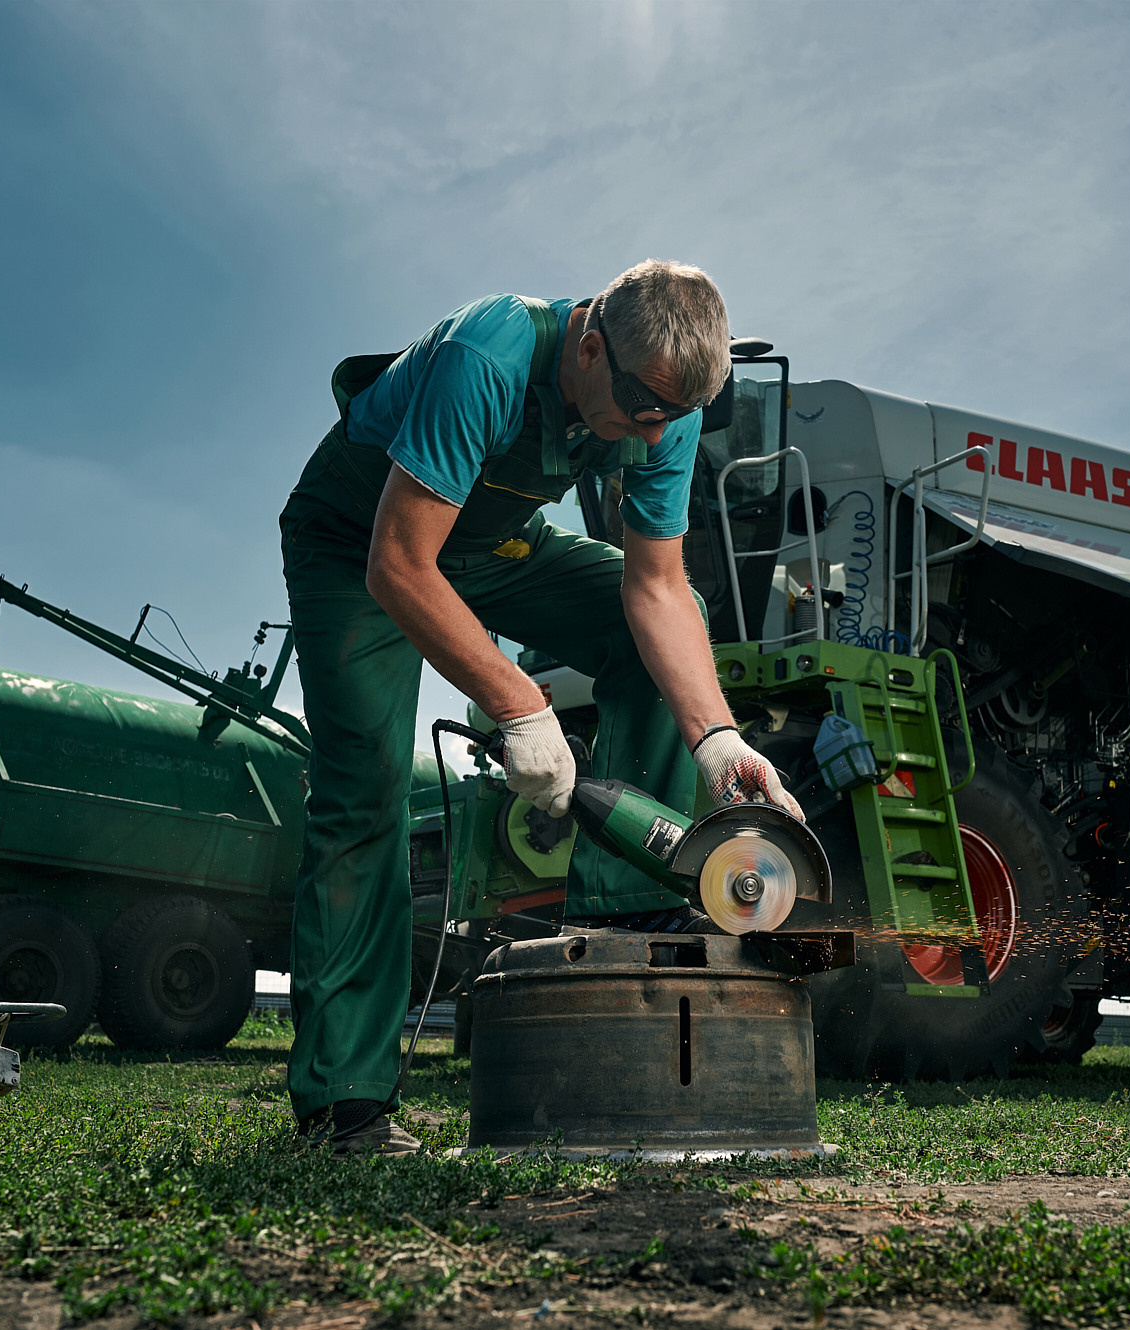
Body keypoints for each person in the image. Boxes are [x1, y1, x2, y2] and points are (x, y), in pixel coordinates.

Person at [277, 261, 802, 1154]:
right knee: (363, 793)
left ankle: (628, 917)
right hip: (361, 541)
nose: (658, 433)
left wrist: (714, 737)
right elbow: (400, 563)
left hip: (490, 544)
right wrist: (521, 707)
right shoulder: (487, 354)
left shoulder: (662, 404)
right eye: (646, 410)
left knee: (664, 633)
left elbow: (658, 585)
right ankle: (344, 1106)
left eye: (677, 417)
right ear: (591, 345)